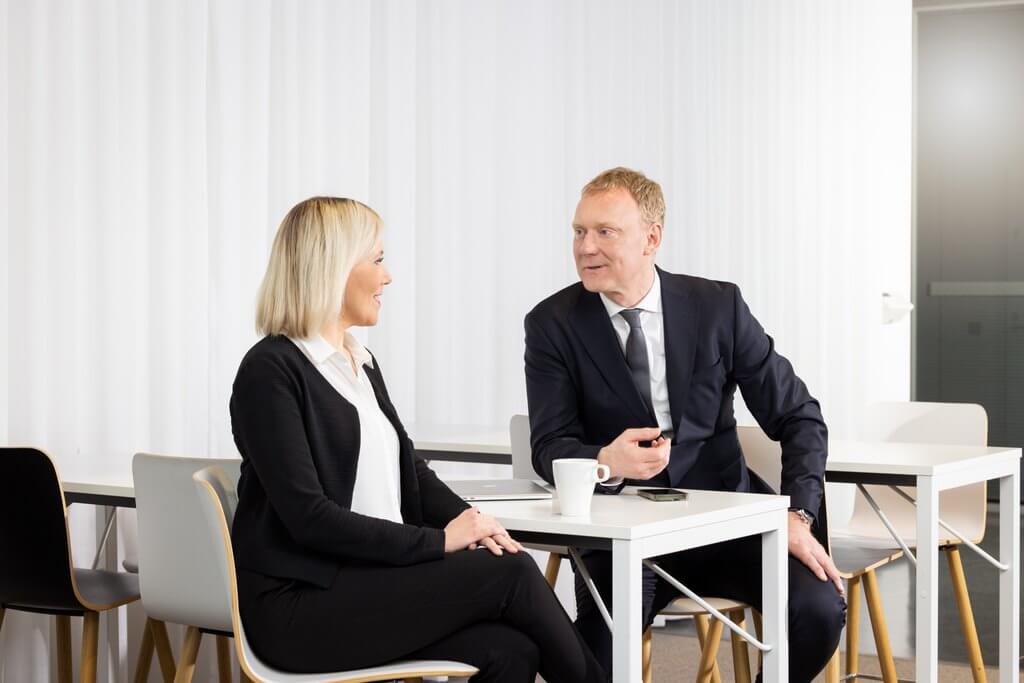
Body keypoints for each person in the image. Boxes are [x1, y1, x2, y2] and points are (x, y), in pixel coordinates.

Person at [230, 197, 605, 682]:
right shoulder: (270, 370)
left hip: (366, 584)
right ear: (333, 268)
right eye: (378, 260)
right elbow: (310, 519)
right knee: (509, 574)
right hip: (300, 606)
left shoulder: (358, 363)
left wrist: (473, 522)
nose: (387, 278)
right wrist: (439, 542)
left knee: (510, 651)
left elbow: (412, 472)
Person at [524, 168, 846, 681]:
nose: (585, 247)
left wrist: (798, 516)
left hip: (726, 526)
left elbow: (799, 416)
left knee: (820, 608)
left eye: (605, 232)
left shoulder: (718, 306)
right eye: (579, 231)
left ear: (652, 238)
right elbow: (548, 446)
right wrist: (605, 462)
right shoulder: (551, 324)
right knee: (595, 663)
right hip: (623, 537)